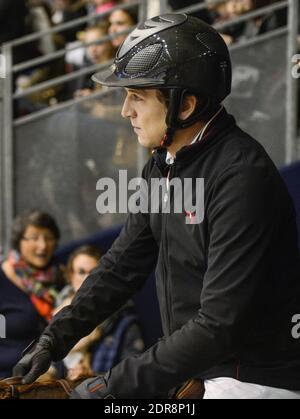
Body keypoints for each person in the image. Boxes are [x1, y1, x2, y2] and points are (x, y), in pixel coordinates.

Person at [14, 13, 300, 399]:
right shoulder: (162, 165)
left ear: (185, 105)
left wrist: (104, 388)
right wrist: (52, 340)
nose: (125, 111)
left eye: (137, 96)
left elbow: (218, 325)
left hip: (252, 379)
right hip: (203, 371)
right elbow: (120, 267)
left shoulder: (242, 177)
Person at [53, 245, 144, 380]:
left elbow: (134, 376)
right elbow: (53, 369)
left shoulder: (124, 323)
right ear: (70, 276)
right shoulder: (59, 323)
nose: (87, 279)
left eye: (94, 273)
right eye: (81, 272)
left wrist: (93, 379)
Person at [0, 210, 63, 378]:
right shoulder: (3, 279)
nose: (42, 246)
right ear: (18, 241)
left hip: (55, 379)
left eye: (48, 238)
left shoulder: (65, 276)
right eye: (34, 238)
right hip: (8, 380)